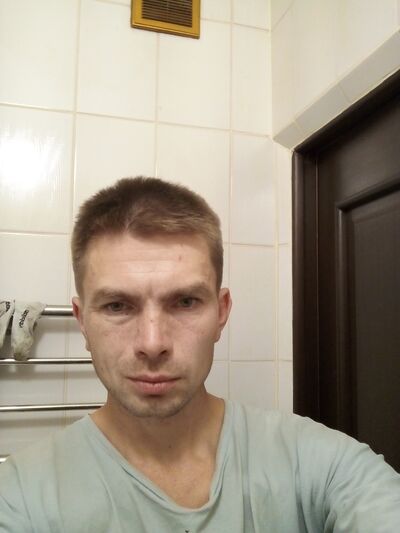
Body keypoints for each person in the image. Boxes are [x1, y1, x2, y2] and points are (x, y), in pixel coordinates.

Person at [0, 177, 399, 533]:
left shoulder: (318, 464)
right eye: (117, 306)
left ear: (221, 312)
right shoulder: (20, 497)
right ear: (82, 320)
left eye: (186, 302)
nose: (152, 343)